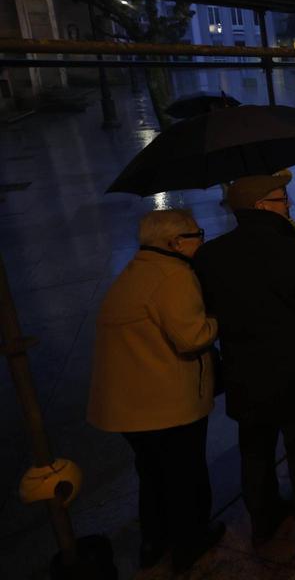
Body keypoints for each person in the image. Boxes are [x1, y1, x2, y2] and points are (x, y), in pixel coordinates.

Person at [193, 171, 295, 548]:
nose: (288, 203)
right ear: (261, 205)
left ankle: (263, 520)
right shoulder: (294, 252)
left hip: (244, 373)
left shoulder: (211, 255)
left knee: (255, 449)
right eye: (281, 198)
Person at [88, 210, 222, 573]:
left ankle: (153, 542)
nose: (202, 241)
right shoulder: (174, 275)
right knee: (186, 475)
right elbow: (192, 337)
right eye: (198, 234)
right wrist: (215, 319)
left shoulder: (136, 270)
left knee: (152, 474)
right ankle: (190, 543)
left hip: (128, 408)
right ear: (176, 243)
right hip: (166, 405)